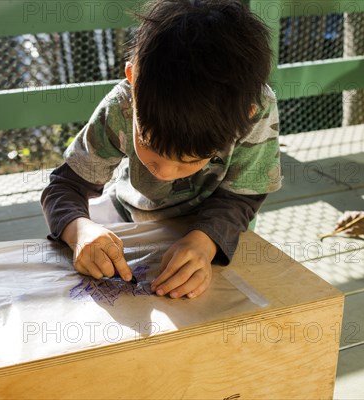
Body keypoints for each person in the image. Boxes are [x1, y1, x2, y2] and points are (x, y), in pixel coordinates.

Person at [41, 0, 282, 299]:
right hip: (132, 218)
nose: (165, 172)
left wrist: (205, 242)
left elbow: (243, 195)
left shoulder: (256, 110)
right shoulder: (122, 107)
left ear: (246, 116)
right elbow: (65, 186)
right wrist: (79, 231)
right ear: (133, 81)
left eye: (190, 160)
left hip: (222, 230)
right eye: (150, 145)